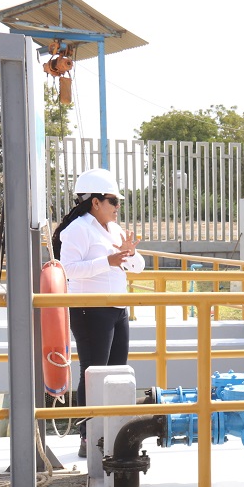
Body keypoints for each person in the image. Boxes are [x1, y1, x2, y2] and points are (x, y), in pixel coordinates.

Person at [52, 168, 144, 458]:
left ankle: (112, 432)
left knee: (116, 371)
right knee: (93, 373)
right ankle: (86, 436)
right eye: (113, 201)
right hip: (89, 310)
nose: (118, 207)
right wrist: (109, 260)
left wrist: (129, 254)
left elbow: (137, 267)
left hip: (116, 309)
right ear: (95, 202)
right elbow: (68, 270)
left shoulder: (114, 230)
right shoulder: (77, 229)